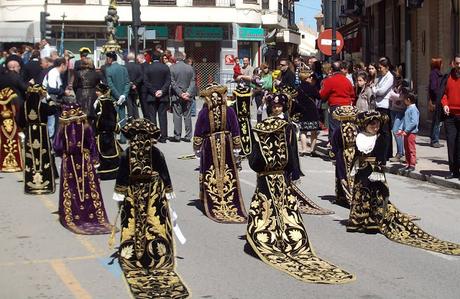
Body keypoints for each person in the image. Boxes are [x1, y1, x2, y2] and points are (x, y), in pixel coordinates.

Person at [246, 103, 355, 284]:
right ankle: (287, 239)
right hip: (281, 180)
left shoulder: (259, 136)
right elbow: (290, 161)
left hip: (265, 181)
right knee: (286, 210)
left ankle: (270, 239)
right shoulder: (285, 133)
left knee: (264, 210)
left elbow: (255, 162)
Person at [347, 111, 460, 255]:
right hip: (361, 171)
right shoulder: (360, 137)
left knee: (375, 196)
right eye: (372, 124)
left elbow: (381, 157)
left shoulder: (381, 138)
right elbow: (356, 156)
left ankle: (372, 223)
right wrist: (353, 170)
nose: (375, 127)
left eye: (377, 124)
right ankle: (357, 221)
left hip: (374, 170)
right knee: (360, 195)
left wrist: (378, 172)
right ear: (365, 125)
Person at [113, 118, 190, 298]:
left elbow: (122, 175)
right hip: (154, 191)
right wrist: (168, 190)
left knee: (135, 223)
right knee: (155, 223)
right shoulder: (156, 152)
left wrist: (119, 192)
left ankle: (135, 257)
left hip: (134, 192)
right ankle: (156, 256)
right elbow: (164, 172)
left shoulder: (127, 153)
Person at [53, 103, 112, 234]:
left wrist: (63, 153)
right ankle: (91, 214)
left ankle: (73, 215)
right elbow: (92, 144)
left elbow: (57, 146)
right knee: (88, 187)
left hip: (69, 161)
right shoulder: (86, 127)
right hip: (85, 161)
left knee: (71, 187)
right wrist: (94, 159)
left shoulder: (63, 128)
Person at [193, 83, 247, 223]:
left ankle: (211, 198)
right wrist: (236, 146)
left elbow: (198, 130)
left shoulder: (204, 112)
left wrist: (197, 146)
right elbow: (235, 129)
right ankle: (227, 197)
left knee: (210, 170)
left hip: (209, 143)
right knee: (227, 170)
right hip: (226, 143)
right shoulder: (229, 111)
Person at [20, 85, 56, 194]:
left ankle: (31, 183)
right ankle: (45, 181)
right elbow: (53, 110)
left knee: (30, 159)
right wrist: (48, 97)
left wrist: (26, 127)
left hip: (30, 133)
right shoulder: (43, 105)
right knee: (44, 156)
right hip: (42, 134)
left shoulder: (24, 105)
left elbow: (20, 121)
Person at [331, 105, 360, 206]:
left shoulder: (338, 129)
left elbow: (335, 143)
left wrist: (333, 155)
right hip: (355, 153)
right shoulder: (356, 128)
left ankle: (343, 196)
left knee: (341, 174)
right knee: (353, 173)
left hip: (342, 153)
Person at [320, 61, 355, 142]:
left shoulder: (330, 80)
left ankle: (335, 147)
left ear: (332, 69)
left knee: (334, 128)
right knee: (345, 127)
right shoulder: (347, 80)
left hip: (335, 106)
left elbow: (322, 94)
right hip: (347, 107)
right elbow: (352, 94)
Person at [94, 83, 122, 180]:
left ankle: (105, 173)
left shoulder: (102, 103)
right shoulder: (108, 102)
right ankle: (113, 172)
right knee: (110, 151)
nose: (96, 92)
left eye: (98, 91)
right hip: (108, 132)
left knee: (105, 152)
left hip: (103, 132)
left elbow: (102, 119)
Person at [143, 51, 171, 143]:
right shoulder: (165, 67)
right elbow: (168, 81)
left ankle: (153, 135)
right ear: (160, 58)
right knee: (162, 116)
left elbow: (146, 82)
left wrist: (154, 91)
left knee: (152, 116)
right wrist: (161, 91)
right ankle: (163, 137)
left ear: (151, 58)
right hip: (163, 96)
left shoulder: (148, 68)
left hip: (151, 95)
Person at [441, 54, 460, 180]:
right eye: (457, 63)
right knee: (452, 143)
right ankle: (453, 170)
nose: (459, 66)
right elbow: (443, 94)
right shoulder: (447, 77)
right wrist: (445, 105)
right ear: (453, 64)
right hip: (450, 116)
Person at [371, 57, 394, 161]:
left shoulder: (390, 77)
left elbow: (381, 91)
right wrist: (376, 89)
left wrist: (375, 89)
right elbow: (376, 88)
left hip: (385, 106)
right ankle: (380, 152)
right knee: (379, 130)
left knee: (385, 131)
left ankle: (386, 154)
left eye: (381, 68)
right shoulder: (380, 77)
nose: (379, 70)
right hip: (378, 105)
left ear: (386, 67)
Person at [105, 51, 130, 144]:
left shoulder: (109, 69)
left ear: (110, 59)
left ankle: (113, 138)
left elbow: (110, 85)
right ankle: (123, 138)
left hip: (113, 98)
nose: (106, 60)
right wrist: (123, 95)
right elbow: (128, 83)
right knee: (123, 118)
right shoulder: (123, 68)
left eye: (107, 58)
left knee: (113, 118)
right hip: (123, 98)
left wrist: (118, 96)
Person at [170, 51, 195, 142]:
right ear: (183, 58)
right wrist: (188, 93)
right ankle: (188, 136)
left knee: (177, 116)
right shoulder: (190, 68)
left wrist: (180, 93)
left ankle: (177, 136)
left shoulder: (172, 68)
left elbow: (173, 83)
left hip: (177, 96)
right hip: (187, 96)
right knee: (187, 115)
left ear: (175, 58)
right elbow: (193, 81)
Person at [296, 71, 321, 156]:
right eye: (310, 77)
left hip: (302, 110)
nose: (311, 78)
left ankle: (303, 149)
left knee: (303, 131)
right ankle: (312, 150)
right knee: (314, 131)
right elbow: (319, 96)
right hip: (312, 110)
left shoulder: (298, 88)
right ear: (306, 78)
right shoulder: (312, 87)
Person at [0, 87, 23, 172]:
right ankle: (15, 163)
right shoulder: (13, 106)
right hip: (11, 125)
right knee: (13, 143)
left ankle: (5, 164)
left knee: (5, 143)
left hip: (4, 125)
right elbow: (15, 113)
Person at [396, 91, 419, 171]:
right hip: (406, 132)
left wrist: (406, 130)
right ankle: (408, 163)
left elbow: (414, 122)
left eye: (405, 99)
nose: (404, 101)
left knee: (411, 148)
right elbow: (405, 121)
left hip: (411, 132)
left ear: (408, 100)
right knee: (406, 148)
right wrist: (400, 129)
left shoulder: (413, 109)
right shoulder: (408, 109)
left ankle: (412, 164)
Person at [73, 58, 101, 122]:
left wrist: (77, 92)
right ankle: (91, 130)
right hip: (92, 94)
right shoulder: (96, 73)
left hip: (80, 94)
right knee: (92, 115)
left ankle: (82, 130)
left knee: (80, 115)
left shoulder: (78, 73)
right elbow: (98, 86)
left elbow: (74, 86)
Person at [387, 76, 406, 162]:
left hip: (401, 111)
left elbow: (401, 97)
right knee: (397, 131)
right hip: (394, 110)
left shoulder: (403, 88)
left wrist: (392, 95)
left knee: (396, 131)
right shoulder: (393, 88)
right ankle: (400, 152)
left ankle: (400, 153)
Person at [231, 82, 253, 157]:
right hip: (246, 120)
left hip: (239, 121)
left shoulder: (234, 105)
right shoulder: (245, 103)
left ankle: (242, 150)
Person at [428, 57, 445, 148]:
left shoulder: (435, 74)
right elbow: (433, 87)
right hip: (437, 100)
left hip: (436, 99)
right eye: (441, 63)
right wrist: (439, 94)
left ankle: (433, 139)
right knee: (437, 121)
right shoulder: (435, 74)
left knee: (436, 120)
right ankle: (435, 140)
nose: (442, 65)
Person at [124, 52, 142, 119]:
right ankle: (136, 117)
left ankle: (130, 117)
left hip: (127, 86)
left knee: (129, 103)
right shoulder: (138, 66)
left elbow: (124, 77)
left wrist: (129, 83)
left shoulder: (125, 66)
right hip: (135, 87)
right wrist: (135, 83)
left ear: (127, 58)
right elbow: (141, 76)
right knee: (134, 102)